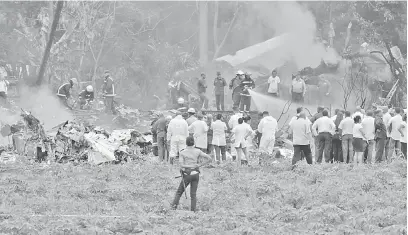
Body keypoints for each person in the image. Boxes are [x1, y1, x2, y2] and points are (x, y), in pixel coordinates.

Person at [171, 136, 212, 212]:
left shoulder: (182, 152)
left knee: (179, 192)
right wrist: (199, 165)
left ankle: (173, 209)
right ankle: (193, 211)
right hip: (196, 174)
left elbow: (181, 165)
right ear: (194, 143)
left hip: (187, 174)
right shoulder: (198, 151)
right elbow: (209, 159)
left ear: (186, 143)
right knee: (193, 194)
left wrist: (189, 166)